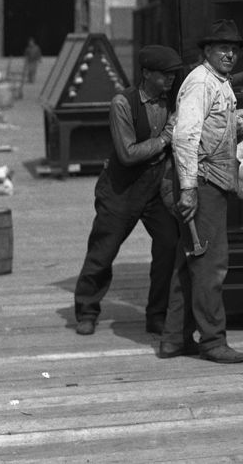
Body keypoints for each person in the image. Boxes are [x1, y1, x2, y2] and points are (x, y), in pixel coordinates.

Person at [160, 20, 243, 364]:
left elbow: (216, 135)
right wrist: (187, 190)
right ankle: (212, 341)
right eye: (221, 48)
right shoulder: (200, 82)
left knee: (192, 263)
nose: (230, 53)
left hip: (207, 181)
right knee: (211, 266)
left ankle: (174, 340)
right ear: (206, 51)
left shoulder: (220, 83)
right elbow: (185, 138)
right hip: (200, 183)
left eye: (234, 49)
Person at [72, 45, 184, 337]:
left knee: (169, 244)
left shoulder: (171, 100)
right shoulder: (123, 102)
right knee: (103, 251)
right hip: (120, 188)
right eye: (165, 75)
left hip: (156, 186)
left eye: (173, 75)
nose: (171, 80)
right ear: (146, 74)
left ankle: (156, 314)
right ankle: (87, 310)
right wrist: (165, 139)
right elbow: (128, 153)